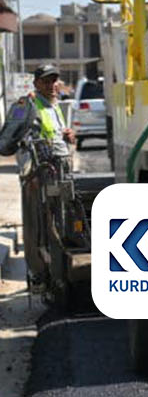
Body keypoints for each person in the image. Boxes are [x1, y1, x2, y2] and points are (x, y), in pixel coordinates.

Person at [1, 65, 75, 283]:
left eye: (54, 81)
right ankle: (40, 275)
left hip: (59, 172)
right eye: (46, 81)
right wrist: (29, 173)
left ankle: (59, 270)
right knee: (38, 226)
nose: (51, 85)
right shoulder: (26, 105)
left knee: (61, 223)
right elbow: (8, 140)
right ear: (36, 84)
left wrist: (67, 135)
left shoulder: (54, 106)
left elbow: (56, 134)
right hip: (37, 177)